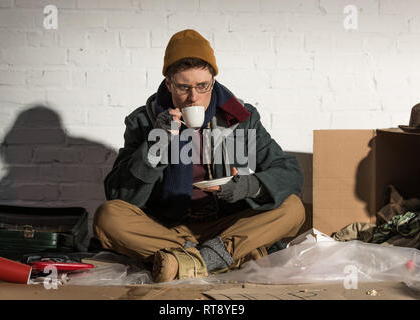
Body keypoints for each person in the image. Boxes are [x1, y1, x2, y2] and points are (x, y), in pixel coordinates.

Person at [93, 29, 306, 283]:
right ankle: (226, 257)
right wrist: (156, 143)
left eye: (202, 86)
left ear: (213, 81)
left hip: (227, 225)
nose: (194, 97)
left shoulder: (238, 117)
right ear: (169, 84)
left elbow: (289, 173)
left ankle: (187, 260)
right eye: (183, 87)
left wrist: (248, 186)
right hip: (167, 227)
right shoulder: (145, 121)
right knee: (108, 216)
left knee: (292, 208)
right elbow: (121, 196)